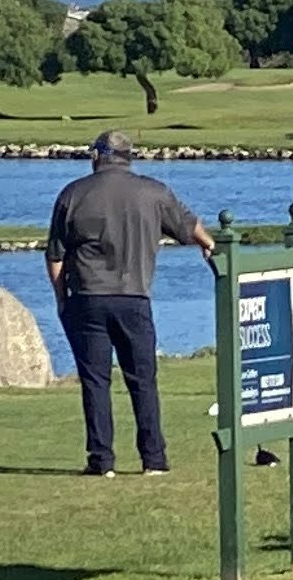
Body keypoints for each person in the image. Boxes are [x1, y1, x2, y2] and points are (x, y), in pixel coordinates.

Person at [44, 130, 215, 476]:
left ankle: (101, 459)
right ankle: (154, 459)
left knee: (96, 381)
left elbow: (55, 256)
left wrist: (62, 298)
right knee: (143, 380)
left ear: (98, 156)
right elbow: (190, 225)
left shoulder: (73, 194)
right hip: (135, 297)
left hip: (88, 298)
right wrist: (210, 245)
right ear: (128, 157)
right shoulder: (153, 192)